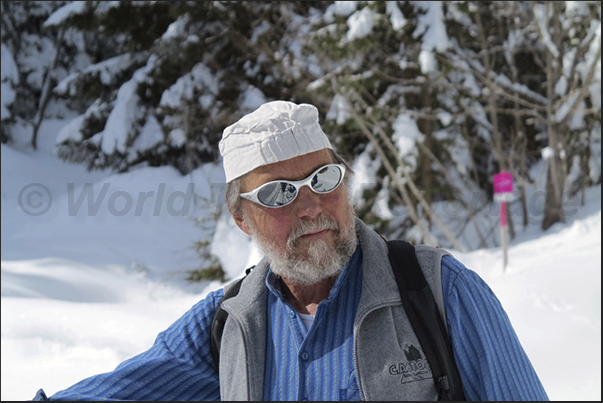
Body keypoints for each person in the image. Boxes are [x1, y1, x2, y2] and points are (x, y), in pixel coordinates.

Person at [33, 100, 549, 401]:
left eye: (324, 178)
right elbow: (124, 390)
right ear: (241, 217)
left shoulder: (440, 292)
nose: (311, 206)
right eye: (280, 193)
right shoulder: (228, 324)